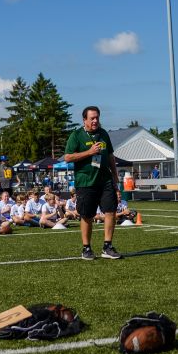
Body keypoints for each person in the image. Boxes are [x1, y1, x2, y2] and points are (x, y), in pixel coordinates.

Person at [64, 106, 122, 260]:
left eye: (97, 117)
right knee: (87, 215)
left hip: (105, 180)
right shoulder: (76, 135)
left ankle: (107, 246)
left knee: (110, 211)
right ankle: (86, 248)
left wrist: (115, 178)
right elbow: (68, 157)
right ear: (85, 120)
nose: (95, 121)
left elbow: (110, 156)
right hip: (86, 182)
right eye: (92, 118)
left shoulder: (103, 134)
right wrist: (89, 152)